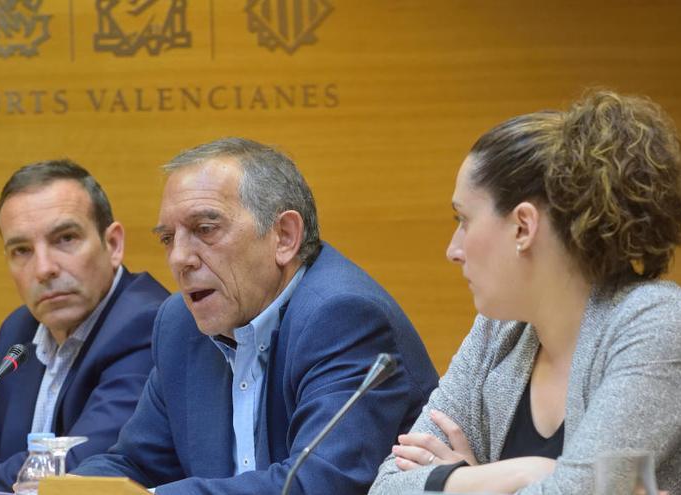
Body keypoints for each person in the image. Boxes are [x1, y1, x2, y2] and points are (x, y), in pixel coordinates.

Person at [369, 90, 681, 494]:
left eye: (464, 220)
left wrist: (463, 481)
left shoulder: (659, 325)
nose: (453, 250)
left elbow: (573, 492)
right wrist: (523, 473)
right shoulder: (497, 332)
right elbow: (386, 487)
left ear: (523, 226)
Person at [72, 137, 439, 494]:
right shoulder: (179, 324)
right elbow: (135, 464)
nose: (179, 258)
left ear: (284, 236)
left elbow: (318, 484)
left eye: (205, 229)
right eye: (168, 238)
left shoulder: (343, 316)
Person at [0, 160, 169, 491]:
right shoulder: (21, 331)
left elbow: (75, 472)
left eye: (65, 238)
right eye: (21, 250)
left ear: (113, 245)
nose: (44, 268)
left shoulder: (148, 324)